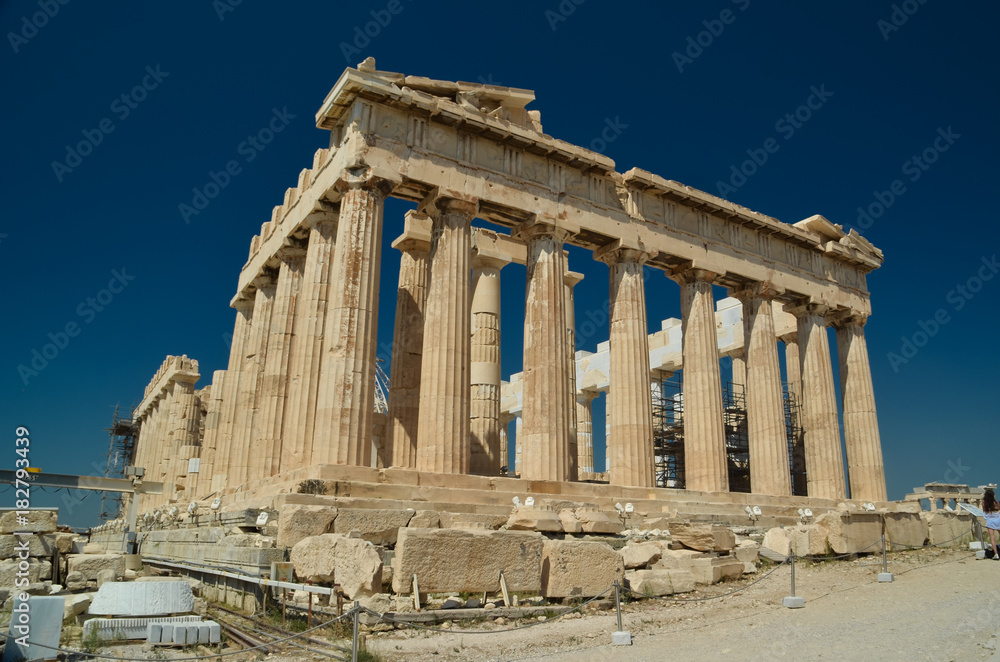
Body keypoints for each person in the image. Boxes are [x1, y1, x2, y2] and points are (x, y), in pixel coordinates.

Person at [983, 488, 1000, 560]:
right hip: (998, 520)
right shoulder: (996, 502)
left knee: (992, 538)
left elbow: (984, 512)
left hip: (990, 521)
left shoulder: (984, 503)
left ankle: (996, 554)